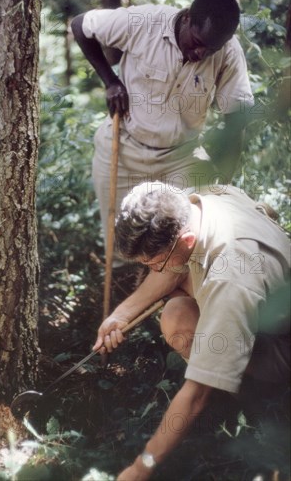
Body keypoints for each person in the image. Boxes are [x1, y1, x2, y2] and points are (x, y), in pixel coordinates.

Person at [92, 181, 290, 481]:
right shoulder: (197, 204)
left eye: (153, 264)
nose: (151, 271)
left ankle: (251, 407)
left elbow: (195, 393)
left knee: (177, 319)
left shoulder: (231, 276)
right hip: (262, 303)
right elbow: (173, 268)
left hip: (281, 347)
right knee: (176, 299)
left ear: (185, 240)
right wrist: (121, 315)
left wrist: (140, 468)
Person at [71, 0, 254, 255]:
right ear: (188, 18)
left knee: (186, 245)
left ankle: (169, 293)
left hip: (181, 155)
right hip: (124, 146)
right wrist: (110, 81)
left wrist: (223, 185)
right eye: (197, 41)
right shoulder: (144, 22)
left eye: (211, 48)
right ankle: (125, 291)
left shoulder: (228, 52)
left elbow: (236, 121)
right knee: (123, 246)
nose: (201, 53)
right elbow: (80, 25)